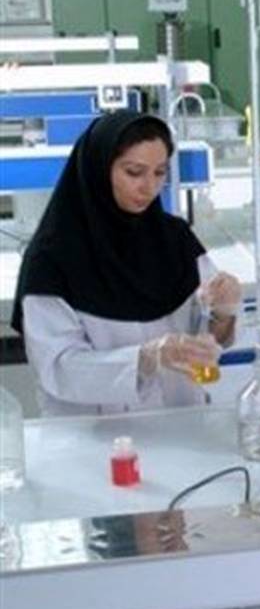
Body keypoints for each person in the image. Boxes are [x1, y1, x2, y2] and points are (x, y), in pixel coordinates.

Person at [13, 111, 242, 416]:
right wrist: (146, 359)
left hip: (181, 423)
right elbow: (58, 368)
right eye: (134, 172)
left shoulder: (175, 239)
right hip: (92, 434)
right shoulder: (52, 258)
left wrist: (223, 313)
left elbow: (210, 340)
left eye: (159, 172)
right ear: (99, 169)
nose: (149, 187)